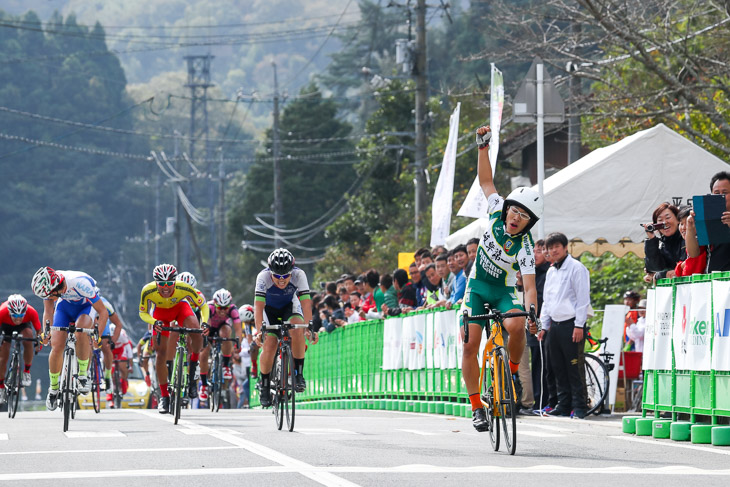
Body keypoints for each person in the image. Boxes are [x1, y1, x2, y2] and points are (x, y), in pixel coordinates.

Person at [462, 125, 541, 432]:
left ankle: (509, 373)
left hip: (503, 291)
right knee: (470, 344)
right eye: (515, 211)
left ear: (528, 223)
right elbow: (485, 181)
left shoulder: (526, 246)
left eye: (524, 216)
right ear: (507, 209)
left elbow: (530, 286)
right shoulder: (496, 210)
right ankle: (476, 406)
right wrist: (483, 146)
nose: (516, 217)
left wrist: (532, 313)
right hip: (477, 288)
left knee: (518, 325)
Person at [31, 267, 109, 411]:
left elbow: (103, 312)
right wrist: (46, 333)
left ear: (55, 289)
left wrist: (98, 335)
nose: (47, 298)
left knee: (81, 331)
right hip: (65, 308)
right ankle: (53, 389)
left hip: (86, 307)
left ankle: (83, 375)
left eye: (48, 295)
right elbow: (48, 311)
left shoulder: (80, 283)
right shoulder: (50, 288)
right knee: (57, 345)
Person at [254, 248, 318, 407]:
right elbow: (259, 307)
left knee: (297, 329)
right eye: (277, 276)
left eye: (285, 276)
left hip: (289, 306)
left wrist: (310, 328)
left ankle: (298, 374)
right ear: (270, 272)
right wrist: (259, 331)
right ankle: (265, 384)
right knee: (270, 343)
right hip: (269, 310)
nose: (281, 280)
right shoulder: (262, 277)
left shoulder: (299, 275)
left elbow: (305, 303)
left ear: (292, 271)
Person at [138, 263, 206, 414]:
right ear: (156, 283)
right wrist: (154, 322)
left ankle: (193, 366)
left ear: (175, 281)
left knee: (196, 330)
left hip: (181, 309)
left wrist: (205, 323)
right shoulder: (148, 290)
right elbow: (142, 313)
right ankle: (164, 397)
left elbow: (203, 306)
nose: (166, 287)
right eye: (161, 284)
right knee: (160, 354)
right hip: (160, 316)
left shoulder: (184, 288)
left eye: (169, 283)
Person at [537, 232, 591, 419]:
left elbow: (583, 299)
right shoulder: (552, 271)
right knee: (557, 367)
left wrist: (579, 325)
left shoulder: (577, 268)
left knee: (574, 367)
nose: (553, 250)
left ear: (565, 247)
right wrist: (543, 326)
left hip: (572, 324)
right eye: (550, 248)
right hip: (555, 325)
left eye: (557, 247)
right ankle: (563, 403)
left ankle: (580, 405)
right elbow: (547, 300)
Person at [198, 288, 243, 401]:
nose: (223, 311)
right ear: (215, 304)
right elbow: (203, 324)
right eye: (220, 308)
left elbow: (238, 330)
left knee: (226, 332)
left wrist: (238, 344)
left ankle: (226, 366)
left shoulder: (233, 309)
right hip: (209, 327)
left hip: (223, 327)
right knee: (204, 353)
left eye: (225, 308)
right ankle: (203, 385)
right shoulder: (209, 307)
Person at [0, 295, 41, 403]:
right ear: (9, 311)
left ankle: (26, 372)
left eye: (21, 315)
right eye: (15, 315)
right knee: (3, 357)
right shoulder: (2, 312)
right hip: (5, 326)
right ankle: (1, 387)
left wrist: (38, 344)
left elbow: (39, 331)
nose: (18, 318)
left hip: (23, 326)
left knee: (28, 338)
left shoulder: (31, 312)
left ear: (25, 311)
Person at [686, 171, 730, 272]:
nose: (720, 196)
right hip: (713, 281)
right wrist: (690, 228)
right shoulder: (707, 217)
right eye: (717, 193)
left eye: (725, 193)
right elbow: (694, 253)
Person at [643, 202, 684, 283]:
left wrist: (660, 275)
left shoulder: (686, 238)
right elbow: (654, 267)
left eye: (668, 217)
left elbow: (685, 266)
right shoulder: (660, 244)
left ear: (678, 219)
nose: (664, 223)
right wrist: (652, 239)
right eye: (660, 220)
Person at [674, 206, 706, 277]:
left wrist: (680, 267)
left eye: (689, 223)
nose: (684, 228)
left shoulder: (701, 242)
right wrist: (681, 266)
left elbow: (689, 272)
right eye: (681, 224)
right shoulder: (685, 244)